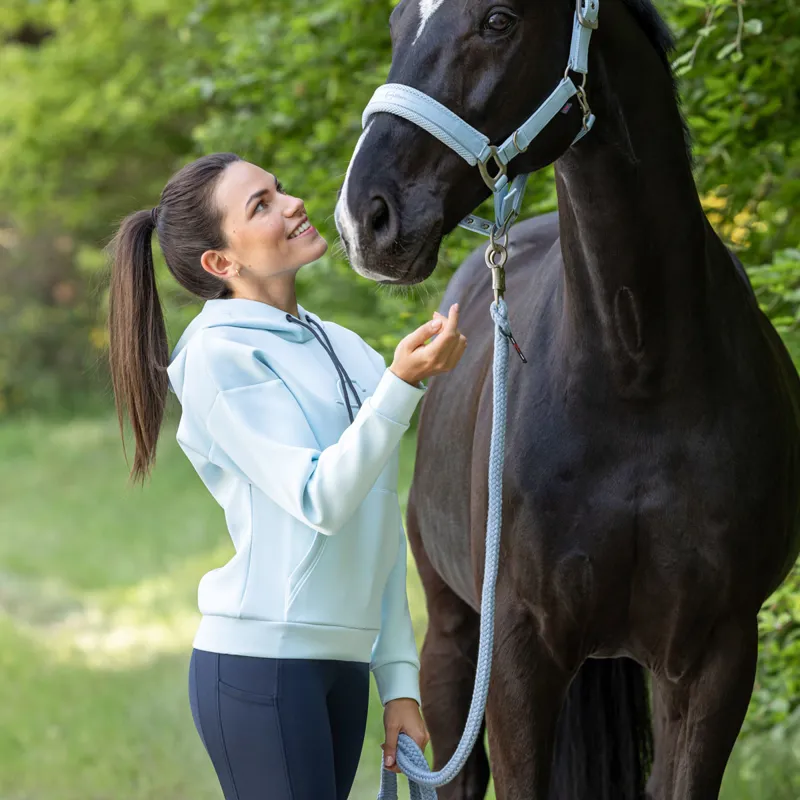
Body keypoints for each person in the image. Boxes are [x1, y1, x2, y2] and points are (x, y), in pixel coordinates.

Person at [105, 152, 467, 799]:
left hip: (343, 665)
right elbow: (319, 497)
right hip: (261, 667)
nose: (293, 203)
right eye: (261, 205)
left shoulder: (349, 350)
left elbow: (376, 530)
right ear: (222, 262)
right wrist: (402, 384)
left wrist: (400, 685)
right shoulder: (218, 357)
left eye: (279, 189)